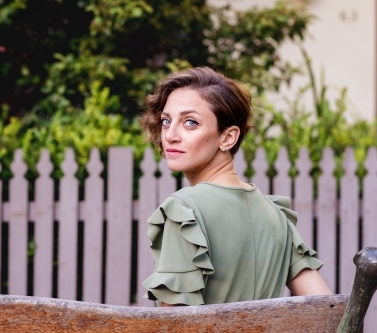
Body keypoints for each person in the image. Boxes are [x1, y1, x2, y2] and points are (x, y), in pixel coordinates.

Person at [139, 67, 331, 307]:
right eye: (167, 121)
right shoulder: (277, 216)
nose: (170, 135)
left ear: (228, 137)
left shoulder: (184, 210)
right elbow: (328, 311)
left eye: (190, 122)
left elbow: (174, 325)